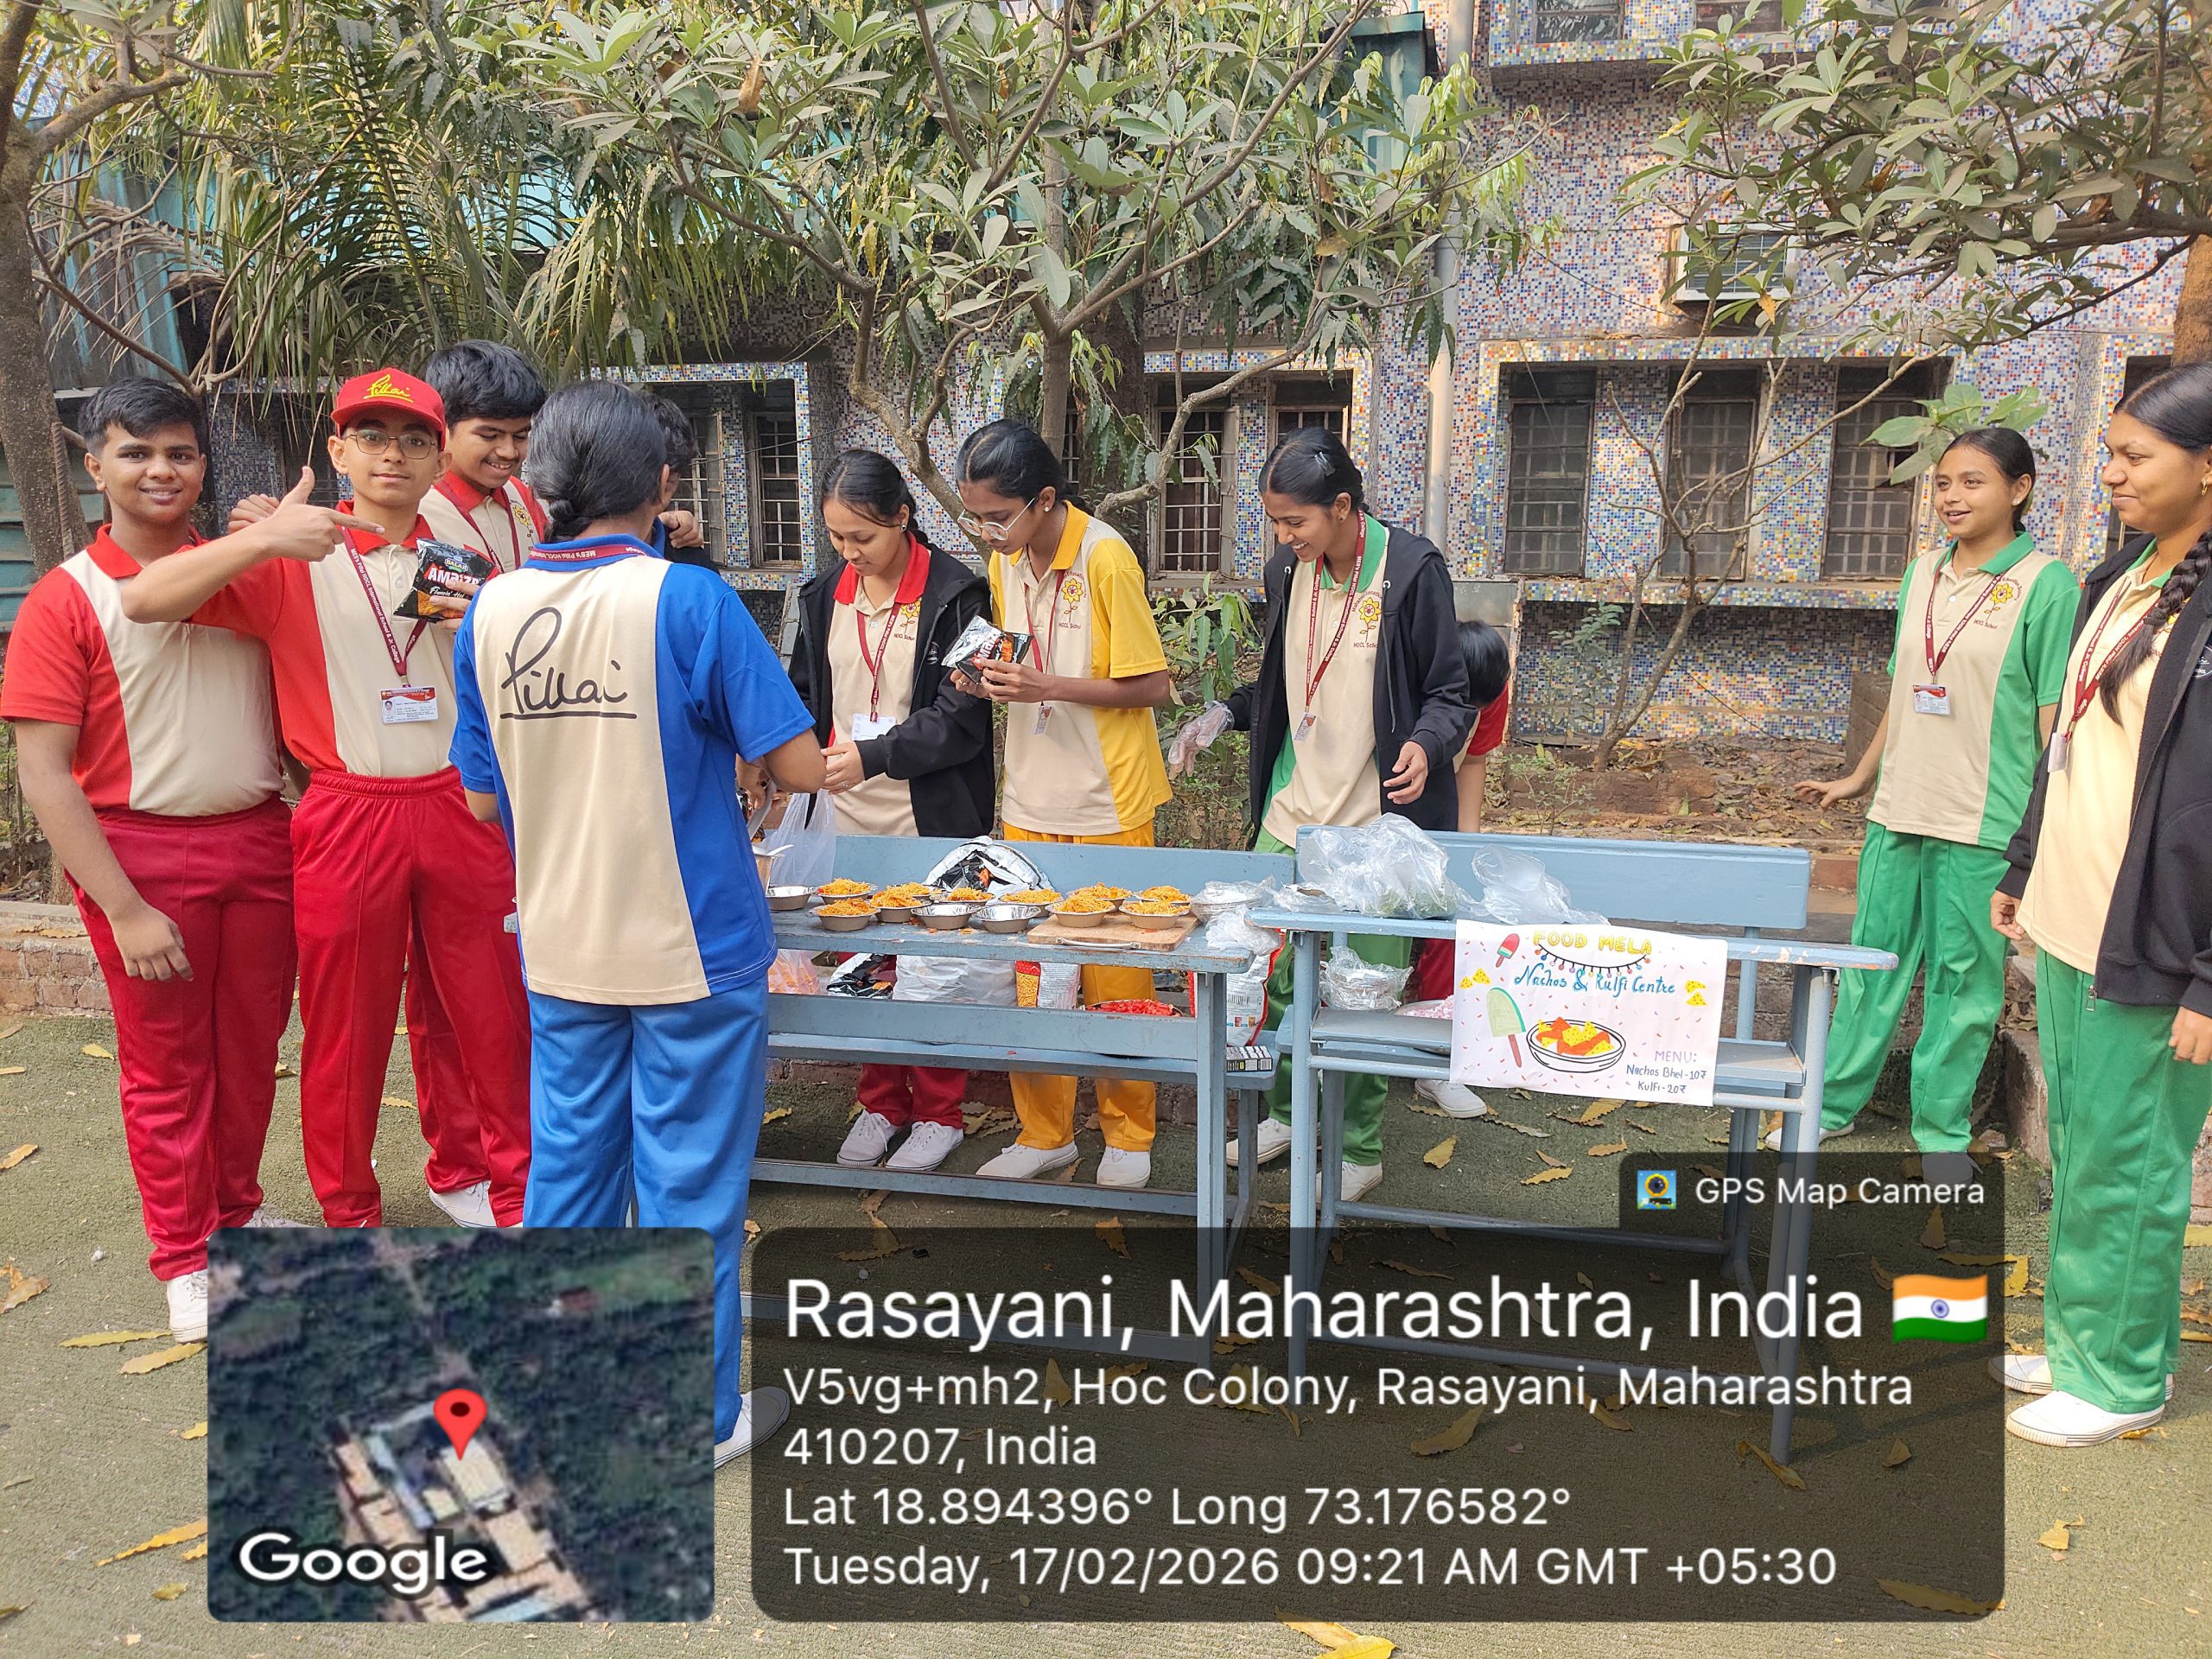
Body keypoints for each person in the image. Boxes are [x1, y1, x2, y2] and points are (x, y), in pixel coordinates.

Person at [448, 380, 824, 1465]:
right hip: (690, 941)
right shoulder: (688, 599)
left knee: (568, 1174)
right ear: (661, 484)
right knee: (687, 1184)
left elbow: (480, 798)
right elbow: (799, 762)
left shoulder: (491, 609)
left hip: (561, 938)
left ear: (538, 482)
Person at [120, 368, 533, 1230]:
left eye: (415, 440)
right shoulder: (291, 559)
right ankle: (349, 1210)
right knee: (347, 1025)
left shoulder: (460, 564)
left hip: (459, 802)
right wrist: (263, 539)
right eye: (372, 437)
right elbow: (144, 599)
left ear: (437, 459)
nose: (394, 455)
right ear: (338, 451)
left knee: (489, 1011)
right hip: (347, 809)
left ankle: (504, 1186)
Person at [0, 378, 337, 1339]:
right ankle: (186, 1259)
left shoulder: (242, 569)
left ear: (203, 465)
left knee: (251, 1050)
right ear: (94, 465)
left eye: (181, 453)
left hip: (258, 838)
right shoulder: (66, 598)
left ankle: (235, 1214)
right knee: (166, 1068)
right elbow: (45, 777)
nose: (162, 470)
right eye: (137, 452)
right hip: (140, 853)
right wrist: (123, 906)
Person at [1992, 363, 2212, 1447]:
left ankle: (2122, 1377)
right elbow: (2071, 742)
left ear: (2207, 468)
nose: (2111, 475)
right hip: (2077, 916)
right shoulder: (2123, 575)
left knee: (2130, 1162)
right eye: (2111, 454)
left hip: (2161, 943)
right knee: (2082, 1147)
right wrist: (2024, 864)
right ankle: (2086, 1343)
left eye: (2135, 457)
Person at [1176, 426, 1472, 1202]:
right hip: (1291, 814)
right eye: (1275, 521)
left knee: (1363, 991)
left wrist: (1427, 745)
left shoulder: (1410, 572)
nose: (1283, 537)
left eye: (1295, 521)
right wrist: (1223, 714)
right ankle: (1283, 1113)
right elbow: (1286, 684)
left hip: (1374, 831)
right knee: (1271, 977)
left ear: (1342, 507)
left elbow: (1451, 692)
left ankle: (1358, 1146)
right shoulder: (1288, 570)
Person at [1782, 429, 2075, 1171]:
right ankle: (1830, 1106)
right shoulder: (1922, 573)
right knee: (1870, 968)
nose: (1951, 497)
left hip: (1986, 822)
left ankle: (1940, 1132)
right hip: (1899, 812)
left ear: (2019, 489)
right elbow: (1910, 688)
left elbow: (2053, 722)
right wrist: (1861, 778)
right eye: (1943, 483)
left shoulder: (2047, 584)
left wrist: (2046, 830)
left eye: (1973, 482)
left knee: (1964, 983)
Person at [952, 419, 1174, 1191]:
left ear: (1044, 499)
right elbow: (1017, 658)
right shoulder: (1005, 559)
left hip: (1107, 802)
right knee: (1035, 975)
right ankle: (1044, 1133)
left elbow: (1154, 686)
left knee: (1117, 977)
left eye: (996, 516)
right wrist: (984, 675)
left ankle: (1130, 1135)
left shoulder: (1105, 556)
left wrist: (1046, 685)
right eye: (976, 517)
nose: (986, 532)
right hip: (1029, 796)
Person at [789, 450, 994, 1173]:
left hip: (929, 813)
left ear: (903, 517)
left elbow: (962, 718)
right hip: (843, 815)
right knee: (863, 961)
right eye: (836, 537)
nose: (850, 552)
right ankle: (881, 1103)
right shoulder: (823, 594)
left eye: (863, 537)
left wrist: (875, 756)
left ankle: (940, 1113)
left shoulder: (960, 595)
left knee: (934, 968)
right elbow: (803, 695)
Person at [1399, 616, 1513, 1116]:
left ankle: (1435, 1060)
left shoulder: (1489, 685)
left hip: (1441, 802)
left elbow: (1474, 762)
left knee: (1451, 925)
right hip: (1376, 804)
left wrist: (1462, 850)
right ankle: (1349, 1049)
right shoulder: (1410, 679)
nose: (1472, 715)